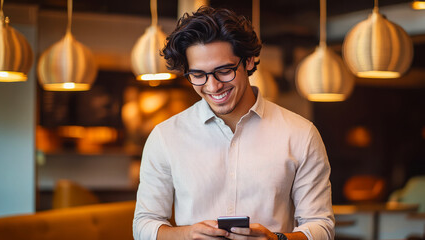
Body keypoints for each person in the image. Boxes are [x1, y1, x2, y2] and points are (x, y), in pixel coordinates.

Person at [133, 6, 335, 240]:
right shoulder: (165, 137)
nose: (213, 86)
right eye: (198, 75)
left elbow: (321, 227)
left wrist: (276, 239)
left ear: (248, 61)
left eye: (224, 70)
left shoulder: (301, 134)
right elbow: (144, 225)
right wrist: (187, 235)